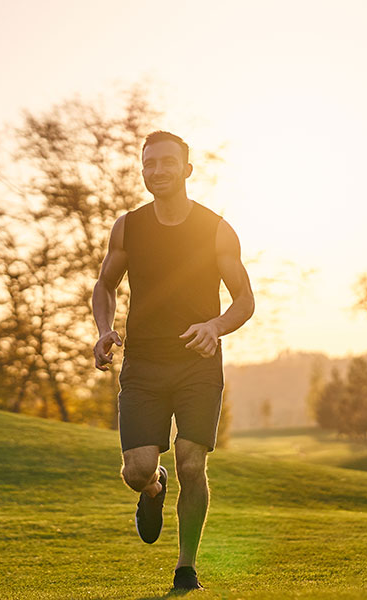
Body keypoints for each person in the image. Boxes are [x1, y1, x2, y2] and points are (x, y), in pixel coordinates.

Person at [92, 130, 255, 592]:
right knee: (137, 469)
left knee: (191, 462)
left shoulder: (215, 229)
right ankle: (152, 488)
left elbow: (244, 300)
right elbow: (104, 285)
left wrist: (215, 327)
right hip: (143, 365)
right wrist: (104, 331)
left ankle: (186, 568)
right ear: (143, 171)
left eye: (167, 163)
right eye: (149, 164)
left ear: (187, 169)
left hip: (196, 363)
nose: (157, 171)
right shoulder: (129, 227)